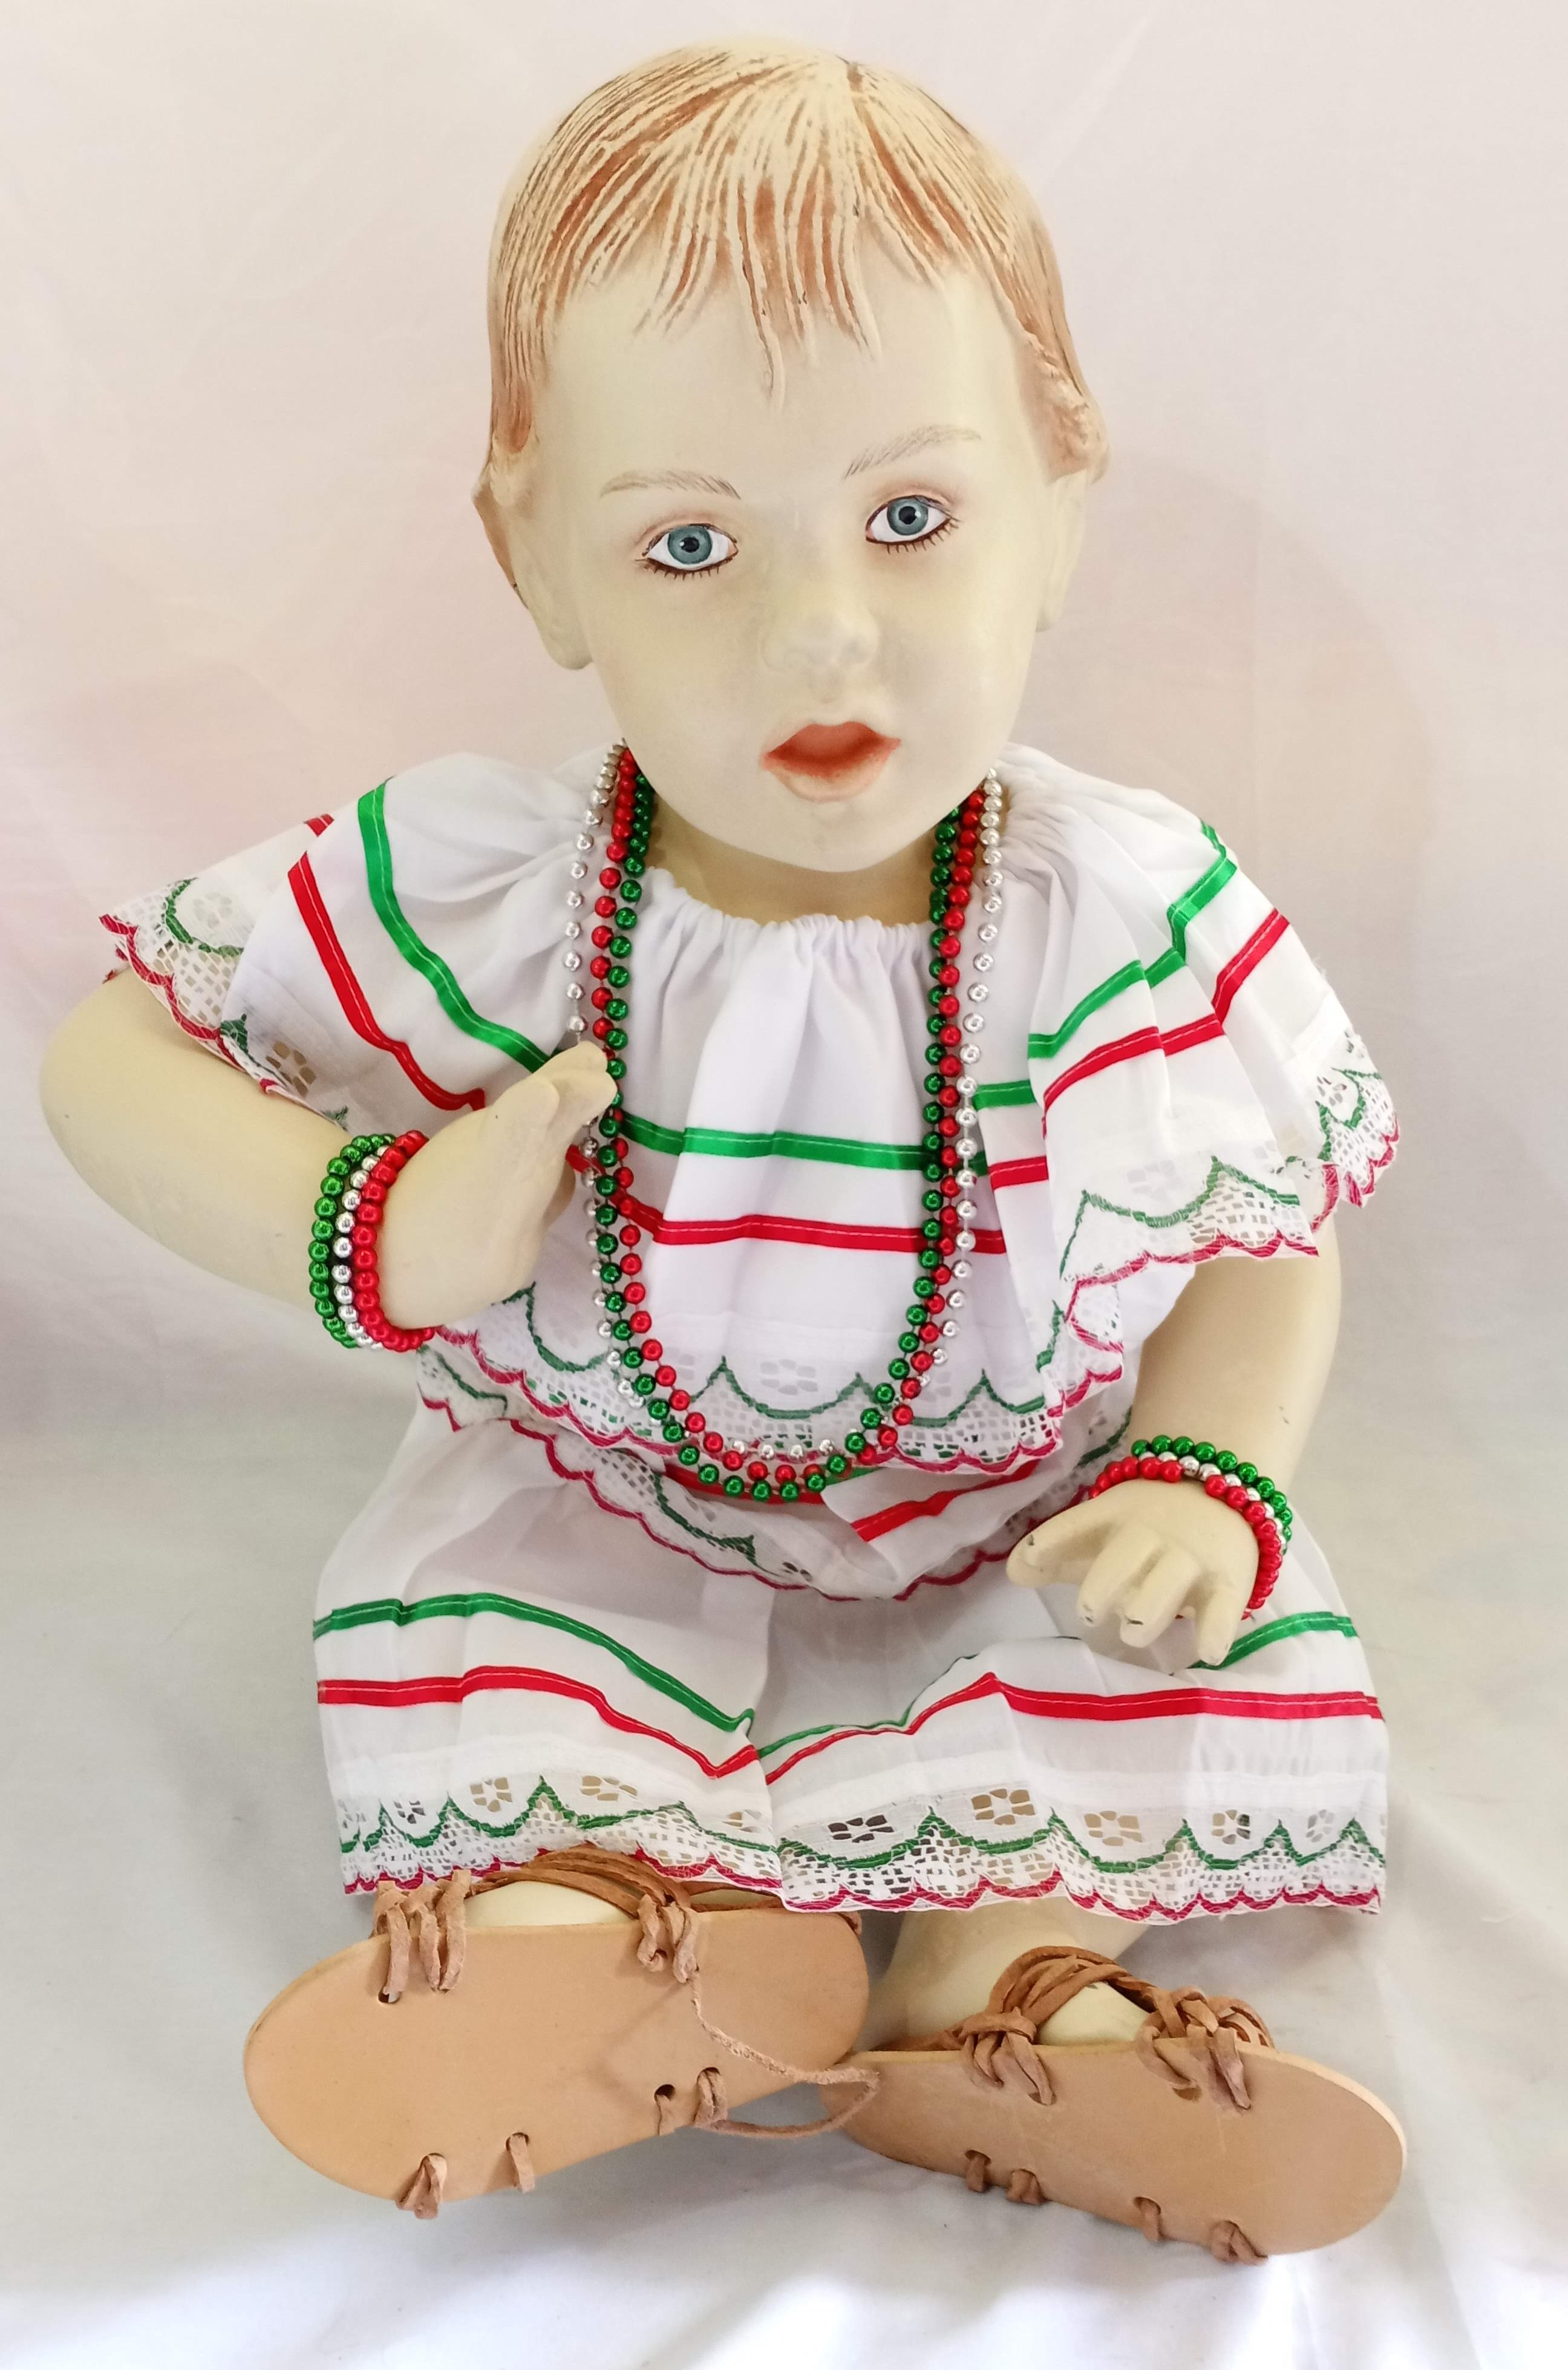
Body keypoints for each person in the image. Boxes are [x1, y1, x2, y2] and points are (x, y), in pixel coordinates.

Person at [41, 39, 1403, 2257]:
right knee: (501, 1624)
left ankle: (999, 1984)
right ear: (536, 559)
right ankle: (600, 1921)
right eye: (689, 544)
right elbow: (116, 1056)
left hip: (1029, 1501)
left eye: (911, 518)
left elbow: (1266, 1232)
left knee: (1161, 1646)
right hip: (608, 1482)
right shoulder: (493, 893)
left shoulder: (1121, 913)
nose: (820, 631)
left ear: (1062, 495)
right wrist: (368, 1221)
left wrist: (1202, 1467)